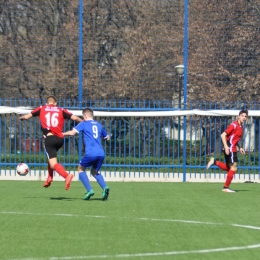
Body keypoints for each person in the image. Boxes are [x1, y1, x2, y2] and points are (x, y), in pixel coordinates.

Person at [20, 95, 82, 190]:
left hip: (49, 139)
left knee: (53, 163)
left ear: (46, 103)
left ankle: (66, 176)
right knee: (51, 158)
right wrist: (84, 122)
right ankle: (50, 177)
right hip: (60, 139)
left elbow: (27, 116)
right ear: (55, 103)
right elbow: (75, 118)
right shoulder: (61, 110)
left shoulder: (41, 108)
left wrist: (22, 117)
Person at [63, 107, 110, 201]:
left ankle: (89, 190)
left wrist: (62, 134)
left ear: (85, 116)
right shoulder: (99, 125)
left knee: (80, 168)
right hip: (101, 153)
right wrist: (106, 137)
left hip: (91, 153)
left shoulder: (83, 123)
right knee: (94, 172)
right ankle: (105, 187)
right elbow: (107, 137)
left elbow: (72, 133)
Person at [206, 109, 248, 193]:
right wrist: (226, 146)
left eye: (245, 116)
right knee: (234, 167)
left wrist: (240, 147)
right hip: (230, 148)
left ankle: (214, 162)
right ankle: (225, 187)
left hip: (232, 148)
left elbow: (235, 139)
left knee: (230, 168)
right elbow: (223, 135)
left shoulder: (241, 126)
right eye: (242, 116)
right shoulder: (234, 125)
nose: (244, 117)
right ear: (238, 116)